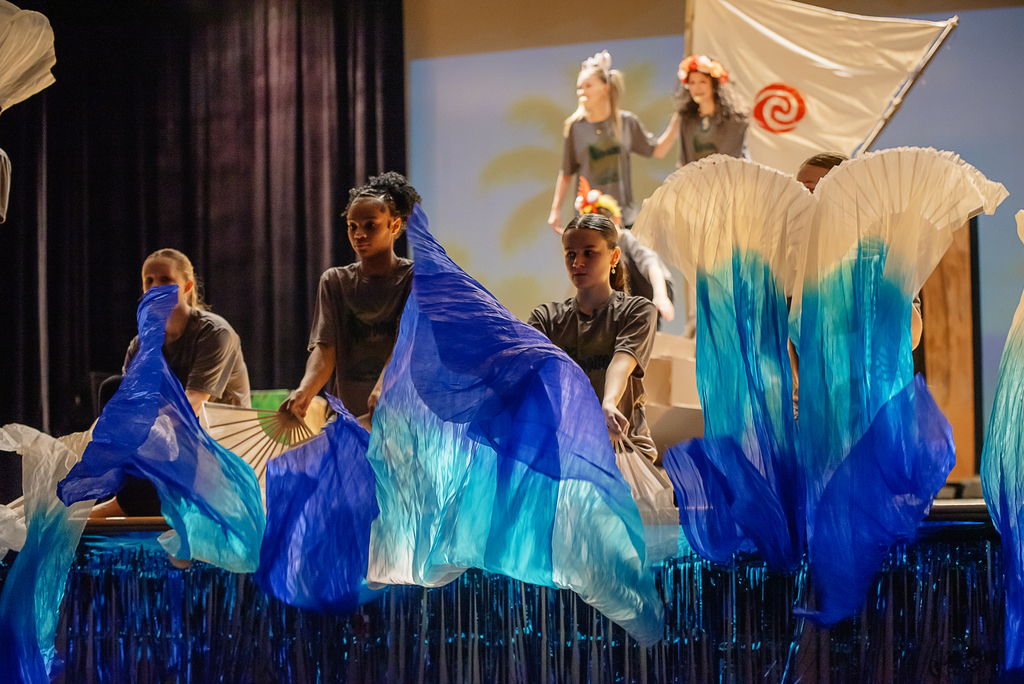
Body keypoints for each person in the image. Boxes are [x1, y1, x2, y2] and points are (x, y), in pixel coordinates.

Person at [95, 248, 252, 517]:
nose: (156, 287)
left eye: (166, 279)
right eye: (149, 280)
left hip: (214, 448)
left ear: (187, 286)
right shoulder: (142, 342)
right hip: (165, 447)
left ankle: (145, 501)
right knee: (113, 388)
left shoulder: (214, 333)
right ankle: (131, 499)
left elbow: (191, 406)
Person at [282, 171, 420, 425]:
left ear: (395, 225)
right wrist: (305, 391)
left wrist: (383, 389)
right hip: (348, 421)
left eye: (371, 225)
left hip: (404, 422)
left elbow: (406, 347)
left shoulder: (413, 279)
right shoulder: (334, 282)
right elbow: (326, 350)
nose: (359, 234)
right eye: (352, 226)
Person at [529, 213, 659, 462]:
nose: (577, 262)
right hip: (568, 454)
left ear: (614, 256)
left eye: (589, 252)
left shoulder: (638, 311)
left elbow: (622, 361)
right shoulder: (546, 318)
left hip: (624, 449)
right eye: (570, 254)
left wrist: (608, 403)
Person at [548, 50, 676, 233]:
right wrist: (555, 209)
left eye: (588, 86)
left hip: (624, 219)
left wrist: (678, 120)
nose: (581, 92)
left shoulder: (626, 123)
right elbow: (566, 172)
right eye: (579, 87)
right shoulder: (575, 128)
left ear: (605, 88)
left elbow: (658, 150)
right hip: (589, 218)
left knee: (625, 260)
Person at [575, 177, 675, 325]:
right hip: (629, 297)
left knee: (618, 260)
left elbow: (651, 264)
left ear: (616, 219)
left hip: (655, 286)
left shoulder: (630, 238)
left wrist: (660, 295)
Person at [666, 54, 748, 166]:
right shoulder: (687, 119)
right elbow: (685, 161)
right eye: (692, 83)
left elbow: (729, 160)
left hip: (729, 180)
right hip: (696, 181)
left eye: (703, 82)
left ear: (713, 84)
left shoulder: (734, 119)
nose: (697, 88)